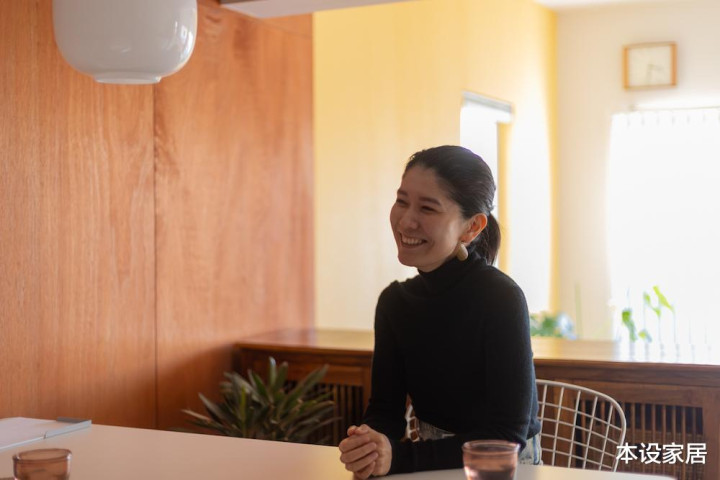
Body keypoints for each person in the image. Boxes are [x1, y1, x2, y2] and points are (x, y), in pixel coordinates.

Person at [338, 145, 542, 478]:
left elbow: (507, 435)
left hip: (501, 468)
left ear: (472, 227)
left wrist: (399, 458)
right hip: (427, 464)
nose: (406, 220)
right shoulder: (395, 302)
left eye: (427, 208)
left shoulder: (501, 298)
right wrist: (370, 445)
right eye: (402, 201)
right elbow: (385, 411)